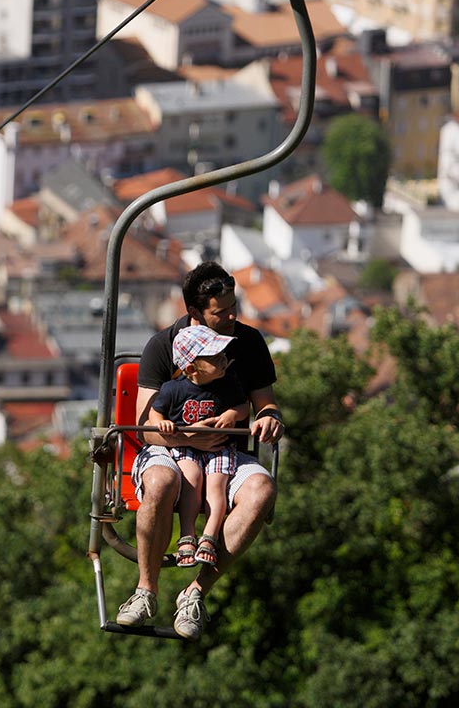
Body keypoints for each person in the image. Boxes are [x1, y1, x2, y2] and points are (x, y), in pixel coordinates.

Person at [116, 261, 283, 639]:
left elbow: (264, 404)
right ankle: (146, 590)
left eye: (233, 308)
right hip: (172, 450)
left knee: (263, 490)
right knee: (159, 481)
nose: (231, 317)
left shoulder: (249, 343)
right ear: (195, 312)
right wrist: (189, 438)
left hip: (225, 452)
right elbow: (147, 427)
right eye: (220, 313)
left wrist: (269, 418)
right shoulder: (163, 347)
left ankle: (195, 592)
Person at [148, 324, 249, 569]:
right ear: (191, 368)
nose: (224, 360)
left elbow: (244, 406)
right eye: (215, 357)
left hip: (219, 447)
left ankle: (210, 537)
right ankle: (187, 535)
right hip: (187, 449)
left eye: (223, 354)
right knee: (191, 479)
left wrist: (233, 415)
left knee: (217, 484)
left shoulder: (228, 382)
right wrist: (163, 425)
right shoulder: (173, 389)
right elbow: (154, 413)